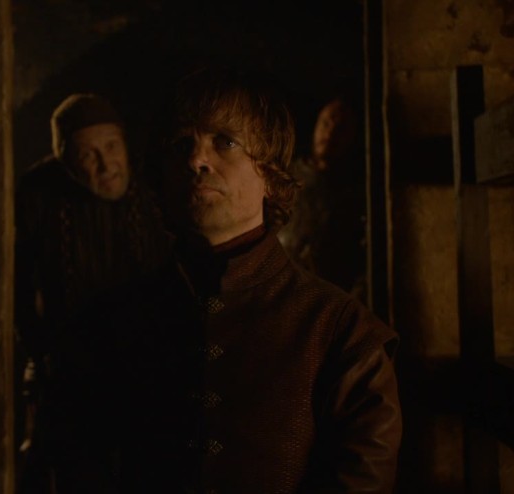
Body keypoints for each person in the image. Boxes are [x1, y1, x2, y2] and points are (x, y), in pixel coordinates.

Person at [79, 67, 401, 492]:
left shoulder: (342, 334)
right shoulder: (110, 324)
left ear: (269, 173)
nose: (196, 160)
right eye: (182, 145)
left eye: (225, 142)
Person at [13, 93, 171, 493]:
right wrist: (41, 352)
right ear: (64, 161)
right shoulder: (38, 195)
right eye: (88, 154)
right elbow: (17, 288)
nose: (106, 164)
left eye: (112, 146)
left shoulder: (154, 189)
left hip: (148, 370)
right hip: (74, 374)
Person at [278, 96, 367, 298]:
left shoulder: (353, 196)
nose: (330, 132)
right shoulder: (285, 177)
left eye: (341, 128)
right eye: (326, 123)